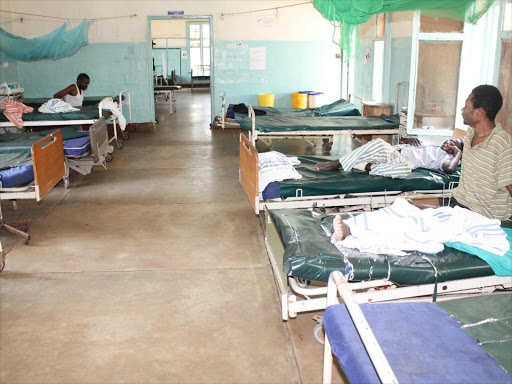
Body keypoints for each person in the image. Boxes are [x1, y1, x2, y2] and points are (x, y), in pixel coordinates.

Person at [452, 85, 512, 221]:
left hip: (486, 217)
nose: (463, 110)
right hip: (461, 205)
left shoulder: (503, 144)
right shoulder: (471, 133)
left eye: (466, 106)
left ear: (479, 112)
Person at [315, 137, 463, 177]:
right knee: (378, 145)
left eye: (453, 144)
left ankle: (342, 163)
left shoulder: (446, 159)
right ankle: (357, 163)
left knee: (404, 170)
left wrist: (458, 154)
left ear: (455, 151)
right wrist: (408, 140)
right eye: (450, 139)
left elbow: (449, 169)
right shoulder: (432, 145)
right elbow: (403, 141)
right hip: (393, 152)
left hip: (400, 162)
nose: (448, 142)